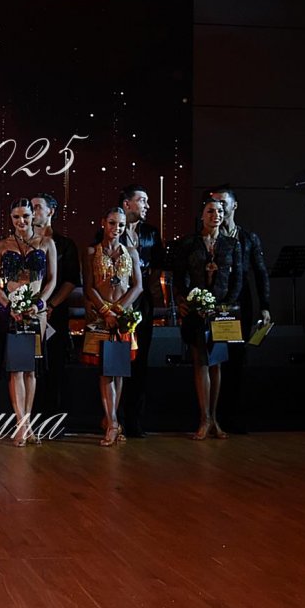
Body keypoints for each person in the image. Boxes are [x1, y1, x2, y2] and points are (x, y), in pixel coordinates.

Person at [0, 199, 58, 446]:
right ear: (11, 218)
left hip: (36, 312)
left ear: (33, 216)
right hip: (10, 312)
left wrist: (39, 304)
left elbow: (52, 280)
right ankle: (21, 425)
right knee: (16, 369)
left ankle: (27, 424)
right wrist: (9, 305)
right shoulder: (1, 246)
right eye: (16, 217)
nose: (21, 221)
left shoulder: (47, 243)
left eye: (26, 216)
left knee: (31, 369)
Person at [174, 198, 243, 440]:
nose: (216, 215)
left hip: (222, 311)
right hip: (196, 310)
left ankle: (214, 418)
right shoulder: (188, 243)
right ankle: (203, 418)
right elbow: (179, 276)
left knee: (216, 362)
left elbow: (238, 279)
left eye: (220, 211)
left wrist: (225, 306)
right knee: (200, 361)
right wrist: (186, 300)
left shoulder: (232, 244)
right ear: (202, 215)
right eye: (210, 211)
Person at [208, 186, 271, 434]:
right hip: (215, 300)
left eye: (223, 202)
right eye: (214, 203)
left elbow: (260, 272)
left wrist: (265, 305)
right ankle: (210, 416)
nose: (219, 207)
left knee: (236, 358)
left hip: (240, 302)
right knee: (214, 358)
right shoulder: (209, 236)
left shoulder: (248, 238)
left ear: (234, 205)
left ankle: (230, 415)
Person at [83, 208, 143, 447]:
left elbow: (137, 286)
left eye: (120, 225)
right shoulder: (92, 252)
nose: (116, 228)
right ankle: (112, 422)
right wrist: (106, 311)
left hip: (123, 317)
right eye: (112, 223)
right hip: (102, 316)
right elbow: (88, 286)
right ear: (103, 223)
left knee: (118, 370)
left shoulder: (132, 252)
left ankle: (112, 420)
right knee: (105, 370)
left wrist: (118, 311)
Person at [114, 185, 165, 438]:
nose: (147, 206)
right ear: (127, 204)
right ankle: (114, 419)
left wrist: (146, 290)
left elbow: (158, 266)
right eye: (142, 200)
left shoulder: (151, 233)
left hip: (143, 301)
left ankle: (135, 419)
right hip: (118, 300)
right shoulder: (112, 229)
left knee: (140, 360)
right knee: (118, 360)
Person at [31, 193, 81, 420]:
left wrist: (50, 305)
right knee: (30, 365)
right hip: (28, 312)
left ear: (51, 211)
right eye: (31, 207)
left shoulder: (65, 245)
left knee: (54, 365)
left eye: (37, 207)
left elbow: (70, 280)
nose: (33, 211)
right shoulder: (24, 242)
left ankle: (53, 419)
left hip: (55, 313)